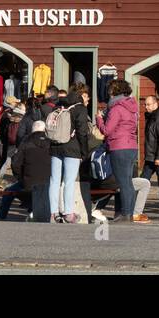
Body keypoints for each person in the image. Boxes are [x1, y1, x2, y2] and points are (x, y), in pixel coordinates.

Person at [96, 79, 146, 222]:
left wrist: (99, 119)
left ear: (113, 91)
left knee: (123, 183)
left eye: (109, 90)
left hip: (119, 147)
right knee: (128, 182)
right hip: (131, 147)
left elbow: (107, 130)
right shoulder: (132, 107)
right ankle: (128, 214)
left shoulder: (117, 108)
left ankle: (125, 214)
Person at [0, 120, 53, 222]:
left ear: (32, 129)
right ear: (44, 130)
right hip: (48, 183)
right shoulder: (51, 143)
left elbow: (15, 163)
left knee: (8, 191)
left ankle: (0, 215)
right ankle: (35, 210)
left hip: (28, 182)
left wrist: (21, 178)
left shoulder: (26, 142)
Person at [47, 86, 91, 223]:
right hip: (72, 148)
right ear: (81, 95)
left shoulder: (59, 105)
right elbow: (82, 132)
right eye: (87, 96)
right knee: (69, 181)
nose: (88, 99)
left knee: (54, 180)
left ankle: (53, 213)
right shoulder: (80, 109)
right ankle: (68, 213)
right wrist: (84, 152)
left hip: (55, 145)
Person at [141, 94, 159, 193]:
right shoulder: (151, 117)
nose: (146, 107)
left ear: (155, 104)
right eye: (145, 104)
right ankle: (135, 204)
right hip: (150, 157)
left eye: (148, 104)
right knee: (142, 181)